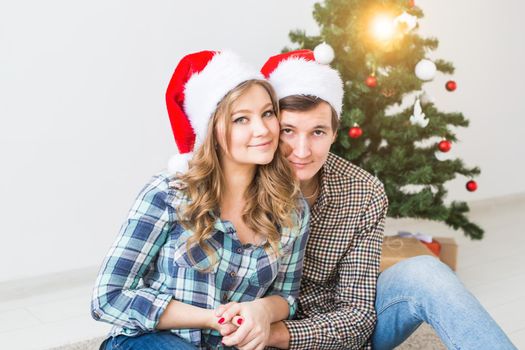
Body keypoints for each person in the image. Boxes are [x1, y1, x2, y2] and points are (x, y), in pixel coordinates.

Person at [217, 48, 516, 349]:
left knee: (426, 272)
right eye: (288, 131)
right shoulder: (239, 180)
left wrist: (280, 334)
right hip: (251, 333)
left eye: (318, 132)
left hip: (333, 332)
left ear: (335, 133)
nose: (302, 150)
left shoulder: (363, 191)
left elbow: (359, 317)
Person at [91, 50, 310, 350]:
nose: (262, 130)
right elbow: (108, 296)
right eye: (241, 119)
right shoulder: (168, 193)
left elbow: (286, 297)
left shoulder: (292, 209)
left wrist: (260, 311)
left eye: (267, 113)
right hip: (146, 340)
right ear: (213, 131)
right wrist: (212, 319)